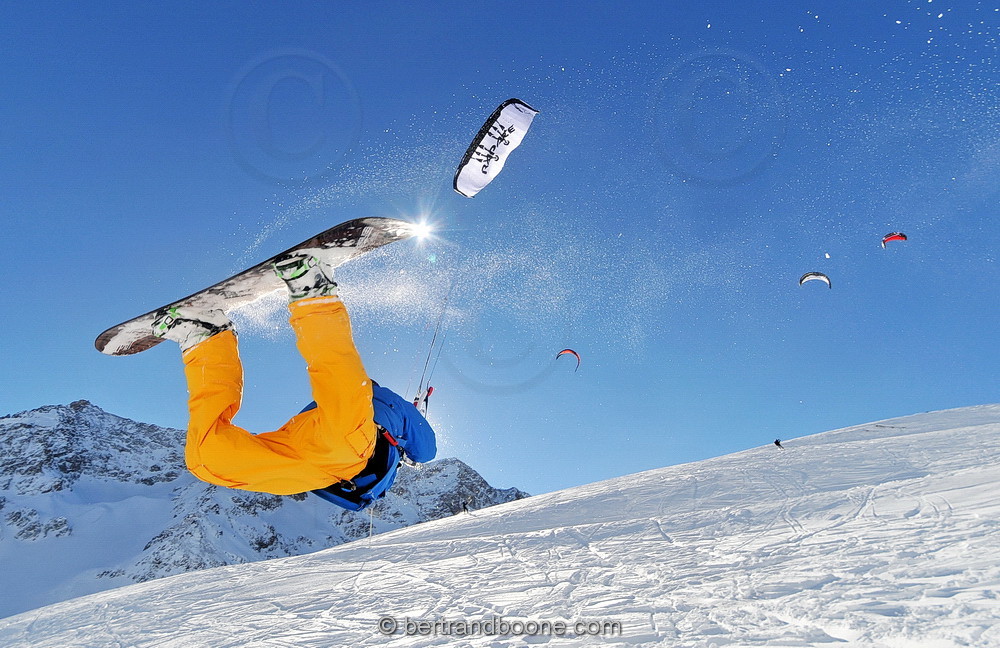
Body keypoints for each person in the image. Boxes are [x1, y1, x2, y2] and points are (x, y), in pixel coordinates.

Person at [150, 250, 436, 509]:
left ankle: (203, 336)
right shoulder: (374, 398)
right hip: (310, 444)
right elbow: (426, 449)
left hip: (331, 465)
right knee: (207, 455)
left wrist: (407, 446)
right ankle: (314, 292)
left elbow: (425, 450)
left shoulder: (395, 408)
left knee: (203, 459)